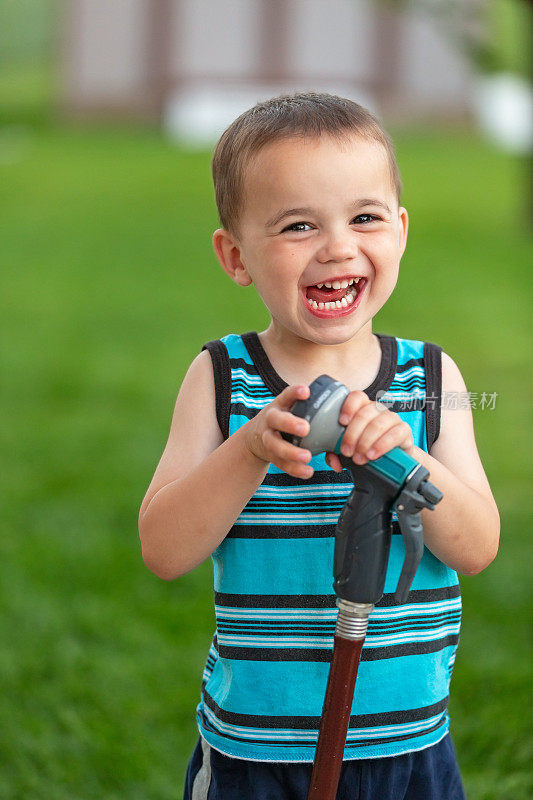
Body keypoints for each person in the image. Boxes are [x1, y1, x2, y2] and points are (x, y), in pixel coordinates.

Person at [138, 93, 499, 800]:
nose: (336, 246)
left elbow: (477, 545)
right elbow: (164, 550)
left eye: (363, 218)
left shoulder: (432, 378)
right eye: (297, 225)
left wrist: (407, 459)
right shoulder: (220, 376)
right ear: (235, 255)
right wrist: (246, 452)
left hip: (407, 738)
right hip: (259, 746)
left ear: (398, 231)